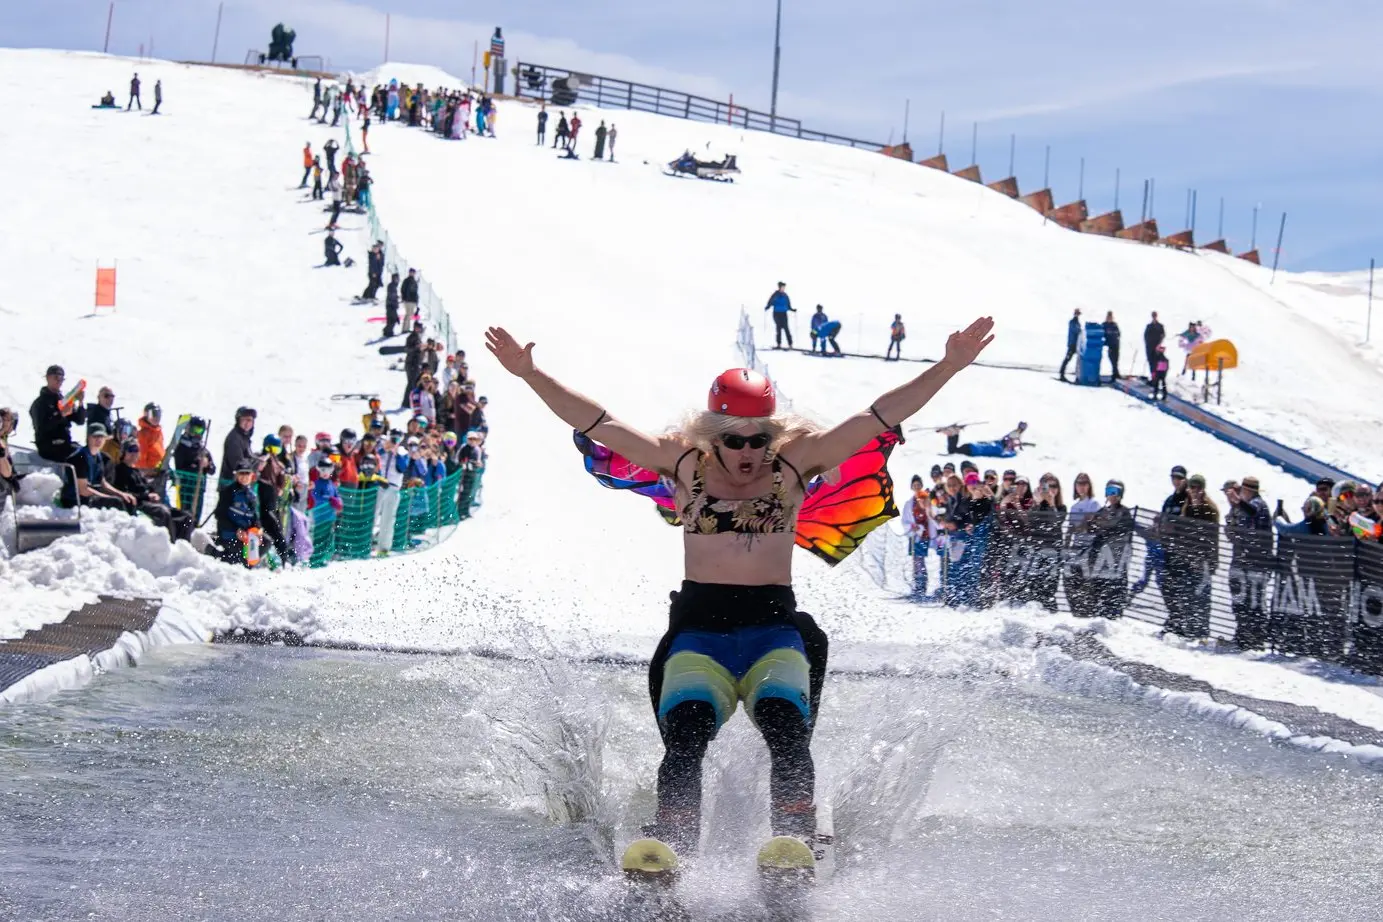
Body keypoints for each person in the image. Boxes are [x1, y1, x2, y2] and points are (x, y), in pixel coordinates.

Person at [484, 313, 995, 857]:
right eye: (734, 439)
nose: (748, 450)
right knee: (686, 735)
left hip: (771, 630)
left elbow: (878, 416)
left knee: (785, 726)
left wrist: (948, 366)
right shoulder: (682, 465)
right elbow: (598, 422)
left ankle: (794, 842)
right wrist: (530, 373)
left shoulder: (795, 465)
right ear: (712, 435)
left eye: (759, 438)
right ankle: (670, 846)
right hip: (698, 633)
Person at [113, 440, 193, 542]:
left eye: (136, 450)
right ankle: (171, 545)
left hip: (149, 502)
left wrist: (153, 492)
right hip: (138, 504)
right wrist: (147, 496)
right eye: (130, 450)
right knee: (163, 512)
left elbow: (146, 487)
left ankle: (184, 545)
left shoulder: (136, 471)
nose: (134, 454)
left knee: (186, 517)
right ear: (124, 453)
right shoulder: (119, 470)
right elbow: (124, 492)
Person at [63, 424, 136, 512]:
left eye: (102, 437)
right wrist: (108, 497)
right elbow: (83, 490)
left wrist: (121, 494)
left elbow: (102, 482)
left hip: (90, 496)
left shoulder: (98, 456)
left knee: (127, 500)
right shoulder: (80, 457)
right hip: (76, 500)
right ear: (88, 437)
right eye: (95, 436)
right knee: (116, 502)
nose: (99, 440)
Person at [30, 365, 86, 463]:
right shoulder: (39, 403)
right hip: (49, 446)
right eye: (56, 378)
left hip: (65, 443)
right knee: (81, 458)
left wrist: (80, 403)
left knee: (90, 455)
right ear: (48, 378)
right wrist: (60, 415)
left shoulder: (63, 400)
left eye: (61, 379)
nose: (59, 381)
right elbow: (42, 427)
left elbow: (80, 420)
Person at [214, 462, 260, 565]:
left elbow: (255, 518)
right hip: (229, 534)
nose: (244, 477)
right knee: (237, 558)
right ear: (236, 475)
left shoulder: (252, 495)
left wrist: (257, 530)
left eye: (247, 474)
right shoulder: (228, 491)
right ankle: (214, 553)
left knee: (266, 541)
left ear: (251, 475)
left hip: (246, 535)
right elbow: (219, 514)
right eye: (241, 474)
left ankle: (248, 564)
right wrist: (237, 531)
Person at [940, 422, 1026, 458]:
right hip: (972, 450)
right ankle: (953, 433)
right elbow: (1008, 454)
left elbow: (1007, 439)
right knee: (952, 451)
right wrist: (1015, 452)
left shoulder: (997, 443)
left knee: (953, 450)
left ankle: (954, 433)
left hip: (971, 446)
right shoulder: (1000, 450)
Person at [764, 282, 795, 349]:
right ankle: (779, 344)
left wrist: (792, 309)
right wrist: (767, 307)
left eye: (784, 287)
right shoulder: (775, 295)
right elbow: (770, 302)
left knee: (786, 328)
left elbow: (788, 304)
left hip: (784, 313)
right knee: (778, 328)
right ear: (779, 287)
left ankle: (790, 344)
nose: (783, 288)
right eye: (782, 287)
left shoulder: (785, 295)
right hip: (777, 313)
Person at [1143, 311, 1165, 379]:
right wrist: (1147, 344)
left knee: (1157, 363)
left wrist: (1159, 343)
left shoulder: (1160, 326)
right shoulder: (1149, 326)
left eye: (1155, 316)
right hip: (1149, 347)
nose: (1154, 317)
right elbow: (1145, 336)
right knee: (1151, 363)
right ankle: (1153, 378)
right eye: (1153, 316)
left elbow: (1163, 335)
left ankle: (1156, 379)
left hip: (1157, 347)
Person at [1103, 311, 1122, 380]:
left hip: (1116, 344)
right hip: (1110, 345)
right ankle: (1115, 374)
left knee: (1116, 360)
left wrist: (1114, 335)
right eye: (1109, 317)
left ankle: (1116, 373)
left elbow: (1118, 333)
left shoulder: (1114, 325)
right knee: (1112, 359)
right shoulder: (1104, 325)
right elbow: (1102, 334)